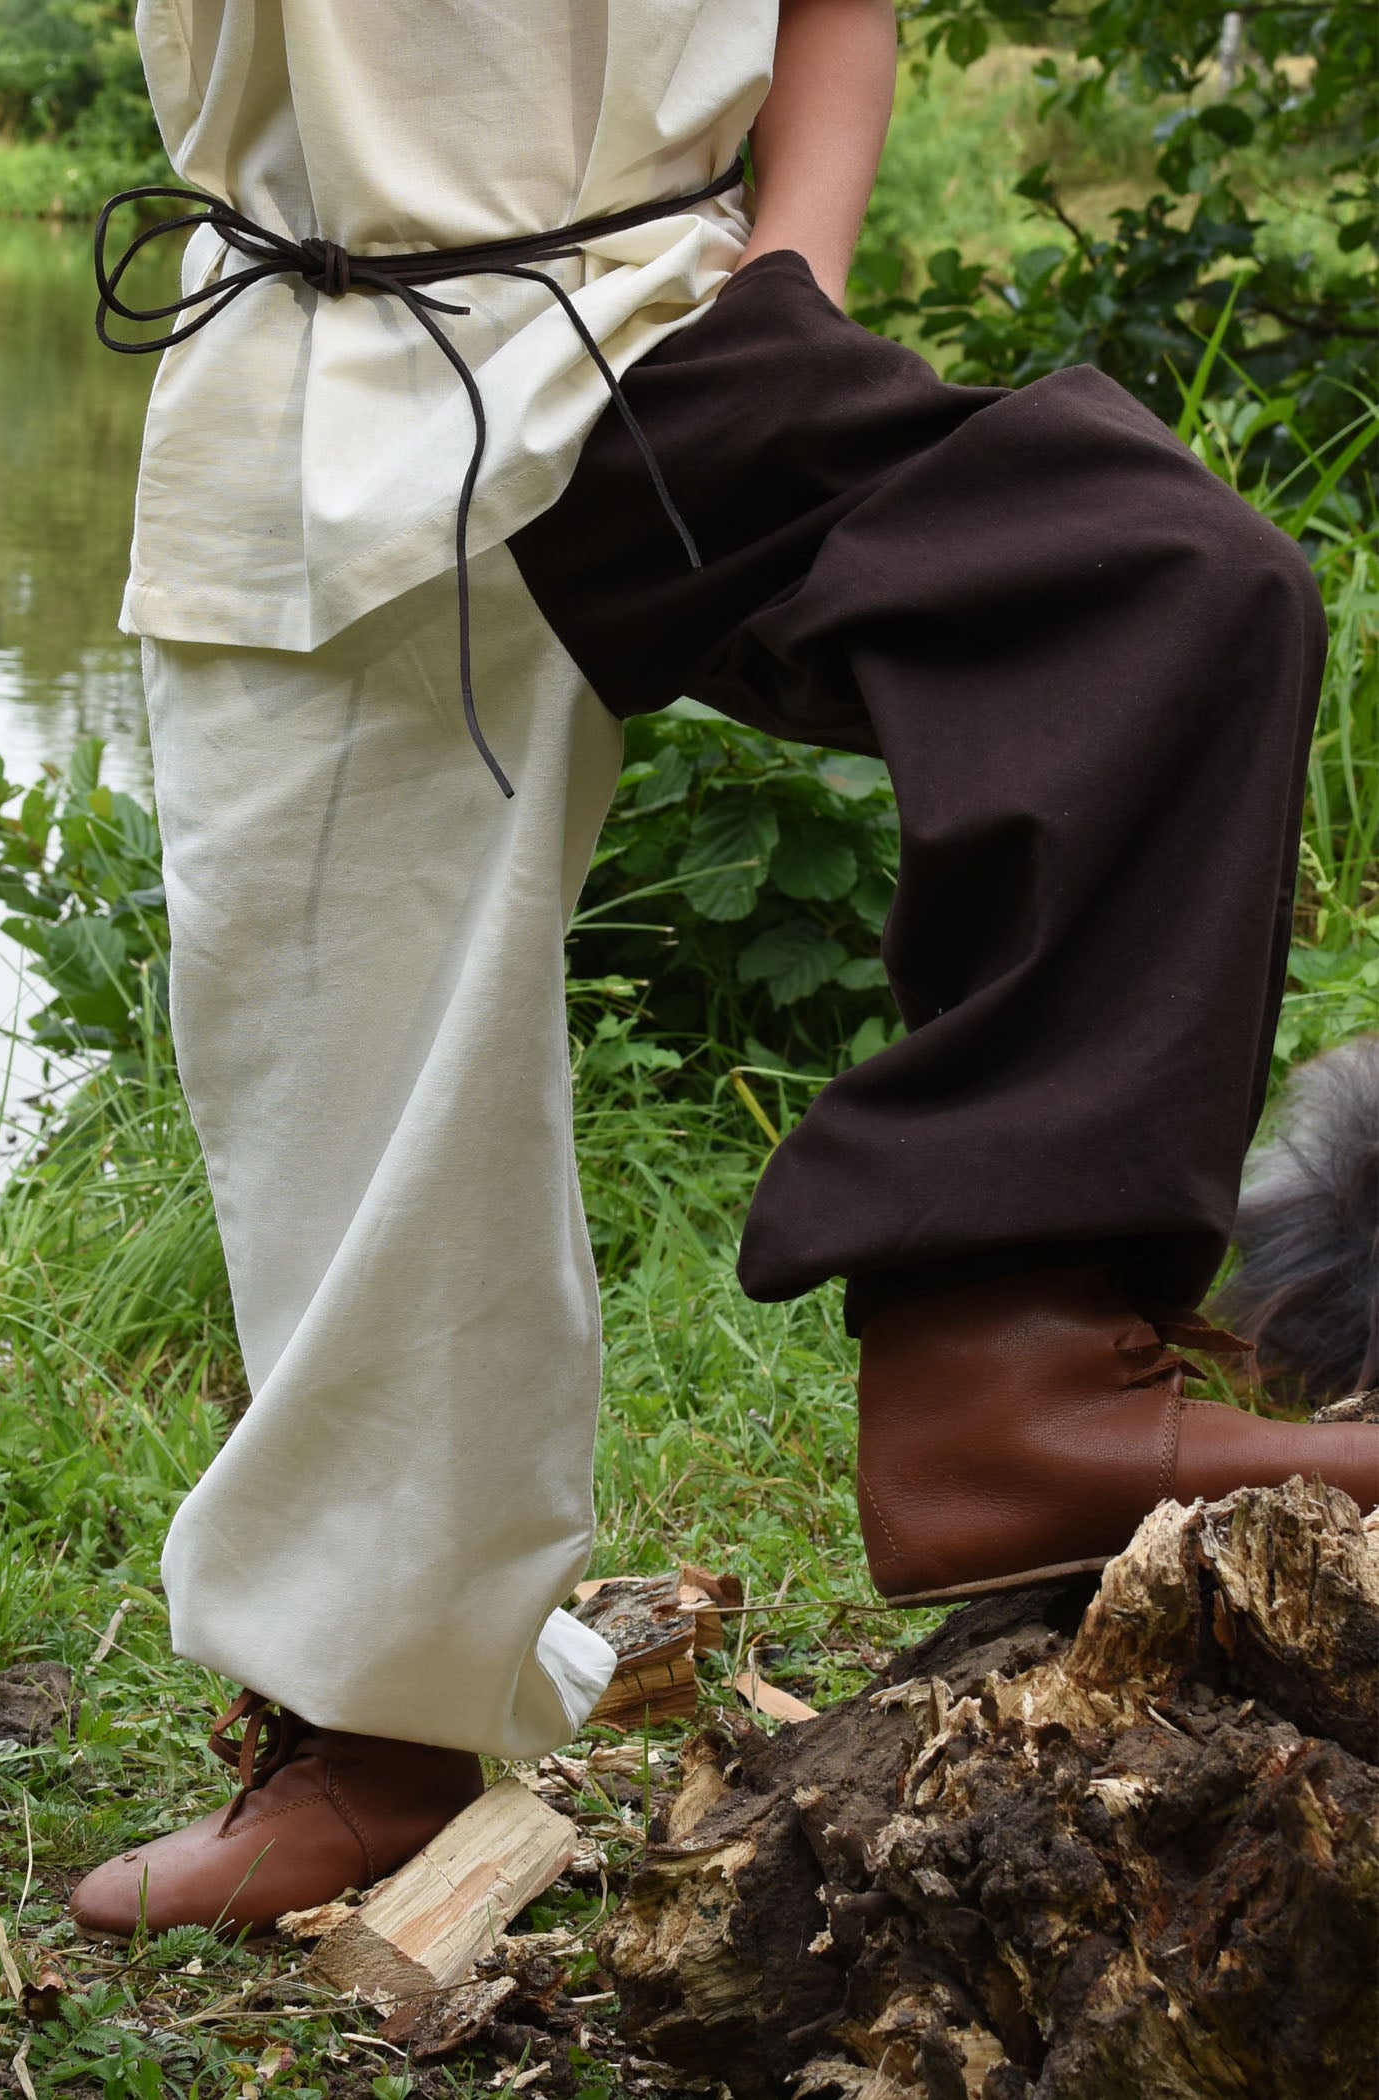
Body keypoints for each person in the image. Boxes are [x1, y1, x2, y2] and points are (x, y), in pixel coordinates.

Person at [69, 0, 1378, 1939]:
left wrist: (794, 264)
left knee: (1169, 591)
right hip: (325, 357)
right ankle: (371, 1729)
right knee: (339, 1068)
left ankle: (1003, 1383)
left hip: (653, 327)